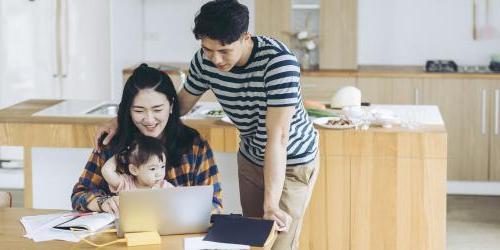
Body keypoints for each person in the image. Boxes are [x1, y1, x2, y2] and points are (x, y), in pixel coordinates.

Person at [96, 1, 318, 248]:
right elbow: (179, 105)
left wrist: (271, 205)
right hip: (251, 155)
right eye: (207, 49)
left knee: (278, 242)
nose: (215, 59)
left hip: (290, 160)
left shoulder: (278, 63)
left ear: (246, 37)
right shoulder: (205, 61)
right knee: (254, 241)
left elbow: (278, 137)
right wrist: (127, 117)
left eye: (224, 50)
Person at [72, 64, 222, 215]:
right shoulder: (112, 142)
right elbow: (79, 195)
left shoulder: (194, 144)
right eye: (138, 110)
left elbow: (215, 205)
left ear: (171, 106)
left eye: (157, 110)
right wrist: (102, 203)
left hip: (180, 235)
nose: (149, 120)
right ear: (128, 109)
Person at [101, 134, 174, 193]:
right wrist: (119, 156)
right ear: (134, 170)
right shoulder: (126, 184)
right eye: (153, 169)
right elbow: (106, 170)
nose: (159, 173)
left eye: (162, 167)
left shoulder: (165, 187)